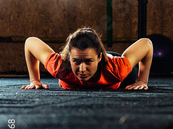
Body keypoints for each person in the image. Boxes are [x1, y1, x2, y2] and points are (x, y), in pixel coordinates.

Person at [21, 27, 153, 90]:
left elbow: (146, 44)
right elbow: (30, 42)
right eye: (76, 62)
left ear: (99, 57)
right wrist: (34, 80)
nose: (82, 69)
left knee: (132, 73)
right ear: (68, 58)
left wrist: (142, 80)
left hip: (112, 70)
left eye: (88, 62)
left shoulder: (117, 69)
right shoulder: (59, 66)